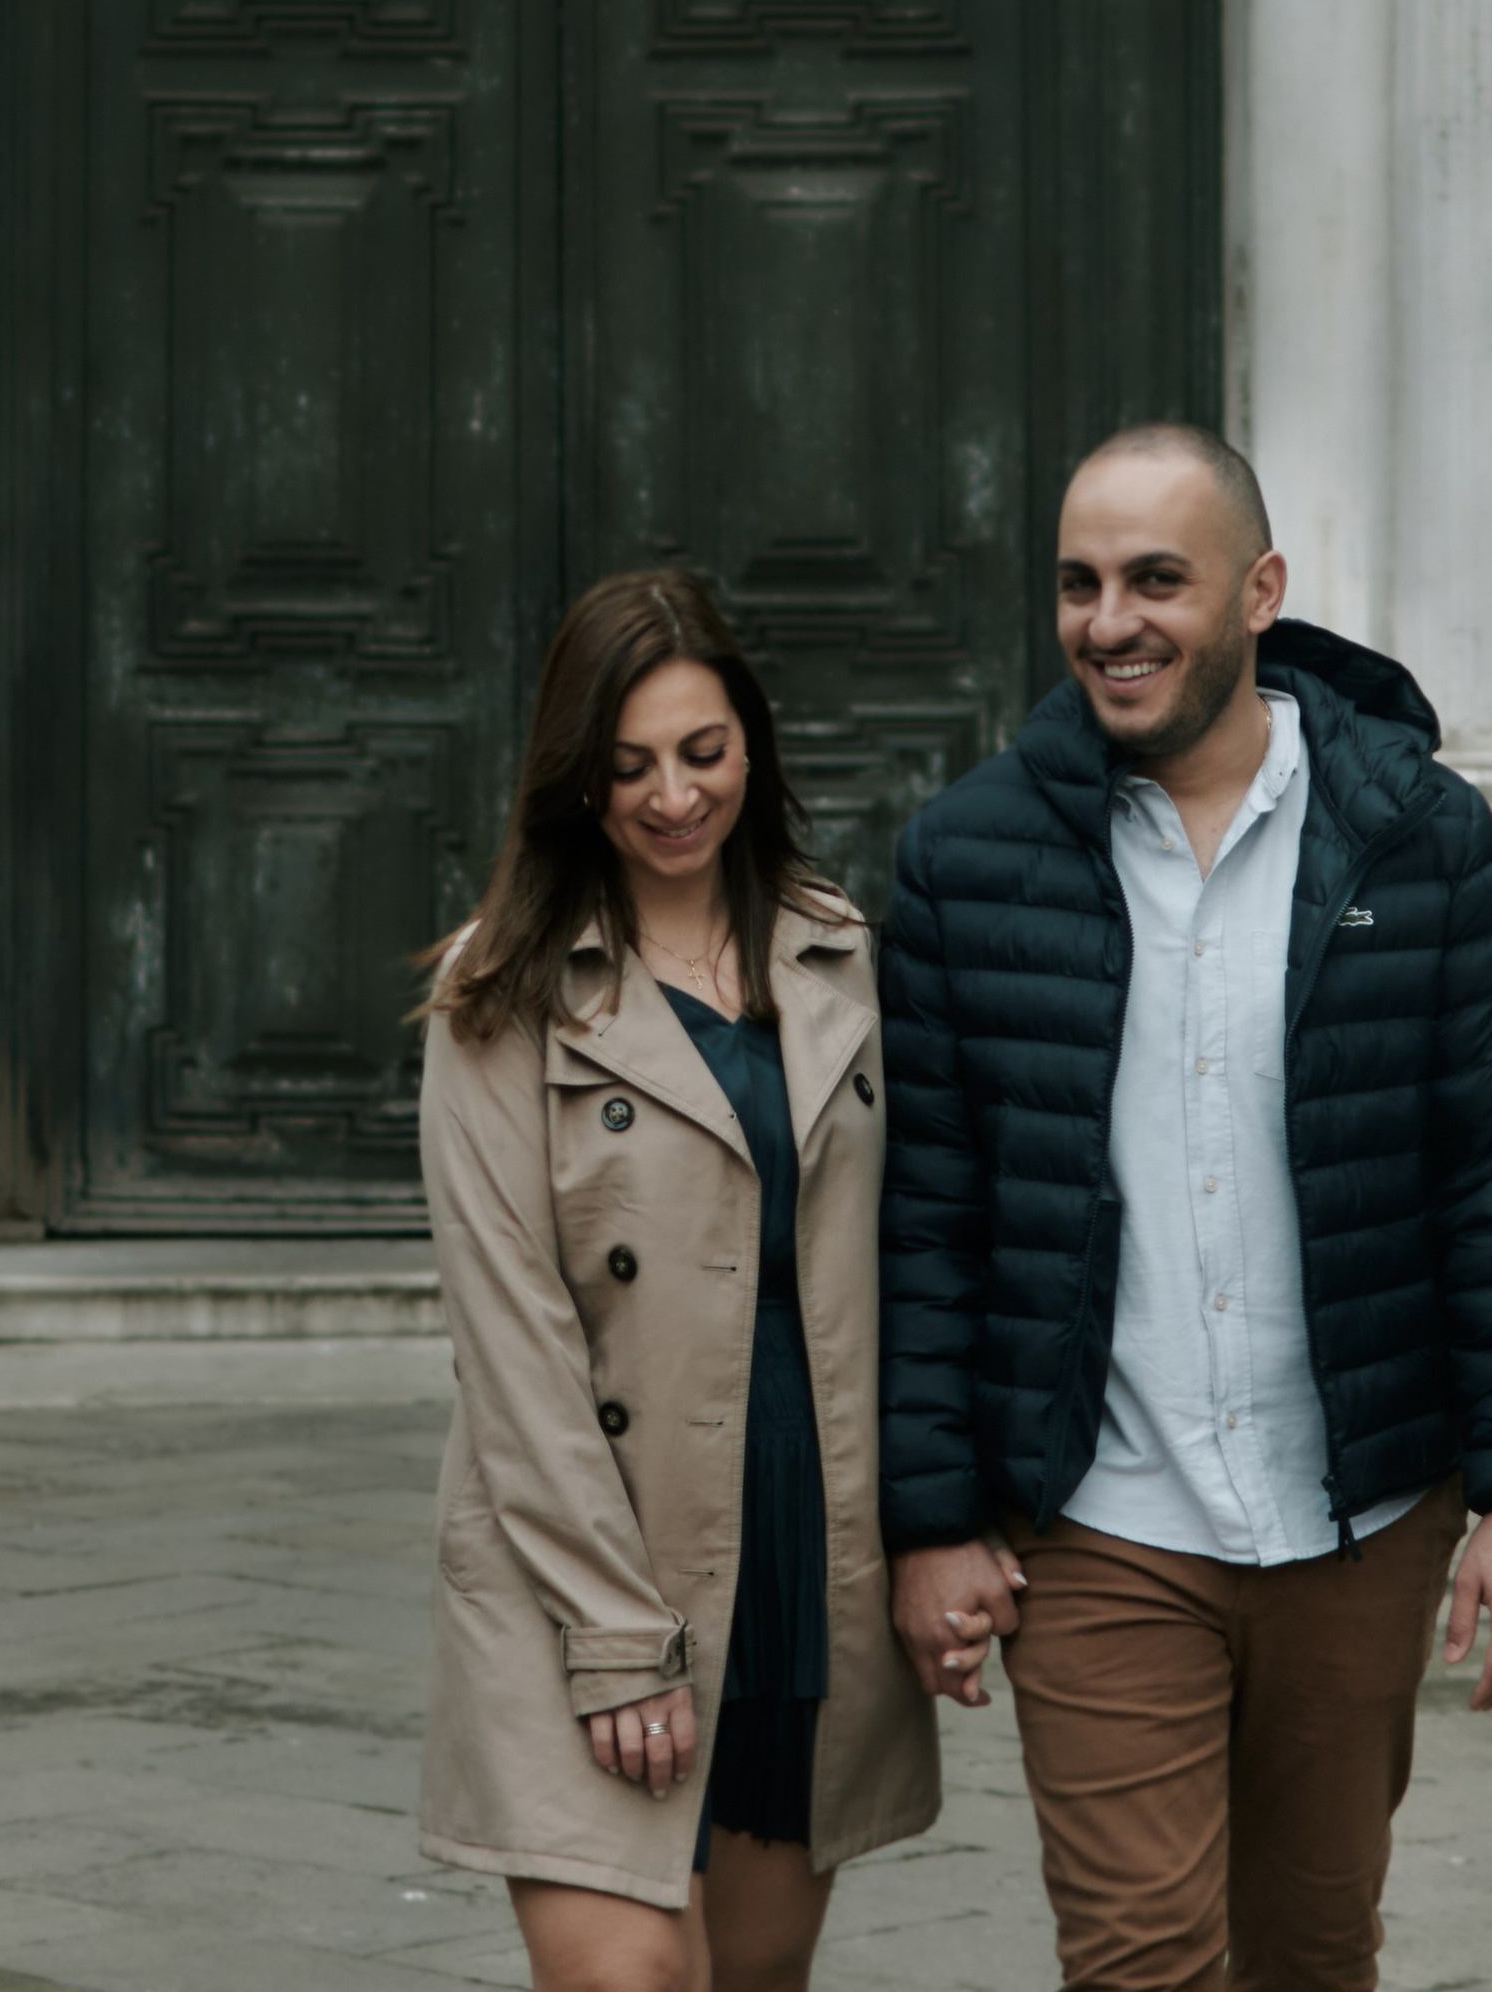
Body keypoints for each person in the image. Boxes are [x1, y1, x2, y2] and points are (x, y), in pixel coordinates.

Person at [879, 424, 1492, 1992]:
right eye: (1078, 584)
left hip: (1361, 1509)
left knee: (1313, 1951)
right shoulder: (966, 861)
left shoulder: (1422, 838)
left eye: (1156, 579)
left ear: (1260, 591)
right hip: (1101, 1515)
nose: (1110, 622)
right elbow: (926, 1216)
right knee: (1140, 1959)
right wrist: (931, 1520)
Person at [418, 570, 937, 1992]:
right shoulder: (500, 994)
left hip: (791, 1530)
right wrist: (614, 1641)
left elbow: (917, 1253)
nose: (670, 797)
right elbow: (512, 1341)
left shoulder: (840, 955)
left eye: (701, 753)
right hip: (583, 1546)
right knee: (630, 1977)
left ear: (751, 746)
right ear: (575, 782)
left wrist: (952, 1524)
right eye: (628, 766)